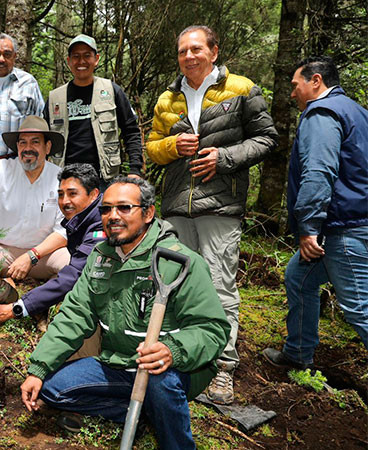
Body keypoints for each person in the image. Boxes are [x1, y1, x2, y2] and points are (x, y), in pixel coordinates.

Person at [20, 177, 229, 449]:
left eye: (124, 208)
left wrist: (172, 351)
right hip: (117, 363)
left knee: (159, 380)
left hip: (174, 369)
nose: (112, 216)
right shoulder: (101, 257)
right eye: (106, 209)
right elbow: (74, 315)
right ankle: (142, 413)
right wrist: (38, 368)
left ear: (148, 213)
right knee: (51, 387)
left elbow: (213, 329)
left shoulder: (178, 261)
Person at [145, 25, 278, 404]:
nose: (189, 56)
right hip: (175, 206)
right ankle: (179, 356)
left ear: (214, 52)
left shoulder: (241, 89)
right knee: (172, 282)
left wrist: (225, 158)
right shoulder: (167, 98)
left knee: (219, 286)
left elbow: (267, 138)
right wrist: (173, 144)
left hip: (220, 205)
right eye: (183, 50)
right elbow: (153, 148)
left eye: (196, 49)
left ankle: (222, 368)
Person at [263, 56, 368, 369]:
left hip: (344, 227)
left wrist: (309, 226)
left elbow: (318, 172)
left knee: (360, 307)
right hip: (352, 221)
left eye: (296, 85)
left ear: (316, 81)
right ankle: (297, 353)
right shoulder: (358, 112)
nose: (292, 93)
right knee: (299, 277)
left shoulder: (321, 113)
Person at [0, 163, 104, 337]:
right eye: (61, 194)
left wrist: (14, 310)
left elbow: (74, 276)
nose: (65, 201)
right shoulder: (85, 217)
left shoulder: (101, 226)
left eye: (73, 194)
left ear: (93, 194)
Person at [0, 115, 70, 306]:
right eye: (22, 142)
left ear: (48, 147)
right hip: (1, 250)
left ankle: (41, 300)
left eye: (35, 142)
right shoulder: (1, 169)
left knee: (71, 267)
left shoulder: (60, 178)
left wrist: (31, 256)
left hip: (42, 254)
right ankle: (6, 294)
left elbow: (63, 232)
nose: (28, 148)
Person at [45, 34, 143, 189]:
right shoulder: (55, 98)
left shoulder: (111, 91)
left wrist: (135, 170)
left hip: (105, 178)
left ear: (96, 59)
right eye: (76, 56)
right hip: (65, 179)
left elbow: (131, 131)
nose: (81, 61)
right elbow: (44, 140)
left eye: (87, 56)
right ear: (68, 61)